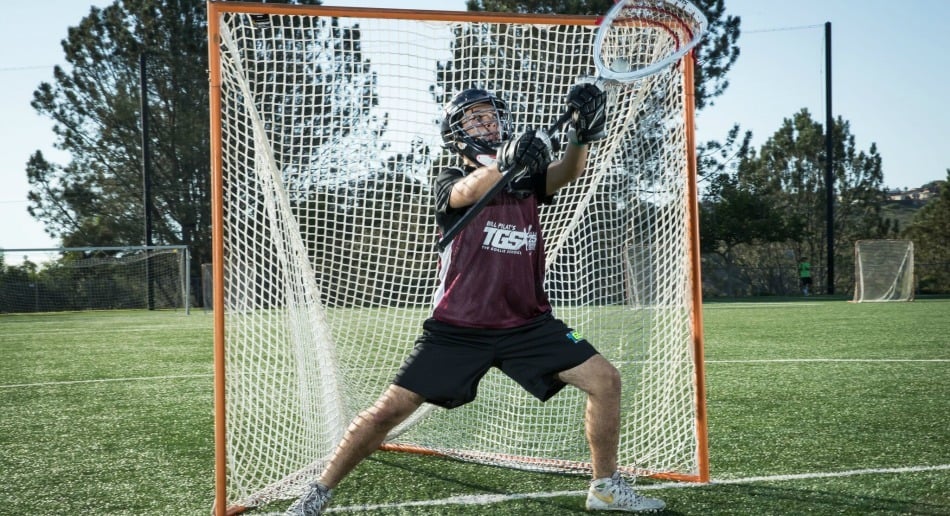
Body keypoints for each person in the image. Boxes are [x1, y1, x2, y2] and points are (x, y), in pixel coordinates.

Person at [286, 83, 665, 514]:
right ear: (457, 134)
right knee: (386, 414)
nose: (489, 123)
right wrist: (507, 160)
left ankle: (605, 487)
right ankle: (318, 491)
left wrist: (580, 133)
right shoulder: (449, 180)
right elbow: (470, 190)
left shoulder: (525, 181)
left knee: (605, 380)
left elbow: (570, 171)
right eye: (476, 118)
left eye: (492, 116)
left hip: (529, 323)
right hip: (458, 328)